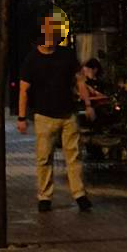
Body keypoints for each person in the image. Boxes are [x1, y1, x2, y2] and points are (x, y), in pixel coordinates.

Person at [16, 14, 95, 213]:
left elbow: (80, 80)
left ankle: (79, 194)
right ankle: (45, 196)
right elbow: (24, 89)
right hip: (44, 115)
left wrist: (87, 104)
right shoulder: (32, 59)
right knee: (44, 158)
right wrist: (21, 117)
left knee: (73, 156)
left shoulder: (66, 55)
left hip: (68, 113)